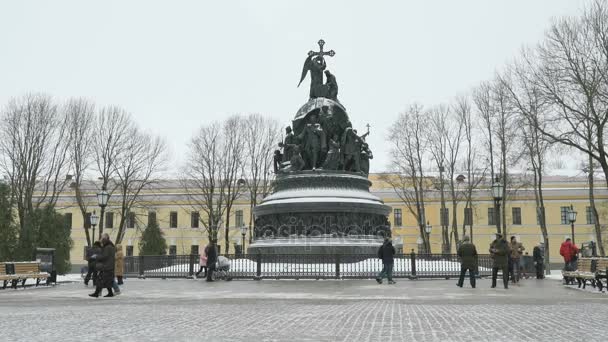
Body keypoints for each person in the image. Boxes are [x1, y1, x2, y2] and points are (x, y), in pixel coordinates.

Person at [89, 233, 116, 298]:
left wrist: (96, 256)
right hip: (109, 266)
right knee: (107, 280)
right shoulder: (110, 246)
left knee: (100, 279)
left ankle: (96, 293)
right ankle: (110, 293)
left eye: (102, 238)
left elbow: (104, 256)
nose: (101, 240)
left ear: (105, 239)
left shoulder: (107, 247)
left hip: (106, 266)